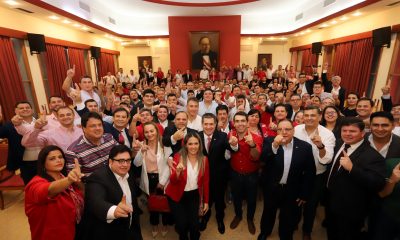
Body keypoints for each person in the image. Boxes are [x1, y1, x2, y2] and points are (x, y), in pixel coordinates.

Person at [326, 117, 386, 240]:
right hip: (331, 202)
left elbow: (378, 183)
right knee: (332, 233)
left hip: (351, 209)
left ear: (363, 133)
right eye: (344, 130)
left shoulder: (373, 156)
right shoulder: (338, 143)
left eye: (352, 131)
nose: (347, 134)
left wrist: (352, 169)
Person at [258, 119, 316, 240]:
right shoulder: (269, 141)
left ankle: (285, 235)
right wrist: (275, 145)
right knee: (268, 212)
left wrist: (305, 194)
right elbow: (262, 159)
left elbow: (310, 172)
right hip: (271, 187)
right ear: (276, 131)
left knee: (288, 215)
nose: (283, 132)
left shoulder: (305, 147)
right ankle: (265, 232)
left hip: (292, 189)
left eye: (287, 129)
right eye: (280, 129)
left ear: (293, 131)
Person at [80, 145, 142, 240]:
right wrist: (114, 210)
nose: (125, 164)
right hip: (109, 232)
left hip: (130, 228)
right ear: (110, 161)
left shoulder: (128, 173)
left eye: (128, 160)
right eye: (120, 161)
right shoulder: (97, 177)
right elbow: (96, 202)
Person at [25, 145, 84, 240]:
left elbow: (82, 195)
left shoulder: (64, 178)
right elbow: (47, 191)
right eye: (52, 159)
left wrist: (77, 181)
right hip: (50, 235)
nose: (58, 160)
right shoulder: (35, 183)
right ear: (43, 163)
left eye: (60, 157)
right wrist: (69, 179)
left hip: (73, 231)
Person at [294, 106, 336, 240]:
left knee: (311, 206)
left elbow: (327, 159)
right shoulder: (296, 129)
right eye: (306, 115)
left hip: (317, 176)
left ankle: (307, 231)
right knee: (294, 202)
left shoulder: (327, 134)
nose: (309, 118)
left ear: (319, 117)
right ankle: (293, 223)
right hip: (297, 175)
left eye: (313, 115)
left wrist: (320, 146)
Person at [165, 132, 210, 240]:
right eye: (190, 144)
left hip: (194, 195)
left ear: (200, 144)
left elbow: (206, 182)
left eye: (196, 143)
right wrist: (178, 172)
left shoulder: (204, 160)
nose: (193, 147)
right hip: (176, 195)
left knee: (194, 224)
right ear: (185, 145)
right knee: (181, 224)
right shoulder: (177, 157)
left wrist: (206, 201)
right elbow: (173, 181)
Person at [198, 113, 238, 234]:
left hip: (219, 176)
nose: (209, 126)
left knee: (219, 200)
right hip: (202, 176)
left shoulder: (222, 136)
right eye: (206, 124)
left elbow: (232, 149)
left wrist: (234, 144)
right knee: (206, 199)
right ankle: (205, 217)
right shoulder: (196, 136)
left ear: (215, 124)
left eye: (211, 124)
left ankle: (219, 219)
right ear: (202, 124)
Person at [133, 122, 172, 237]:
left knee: (165, 204)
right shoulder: (142, 145)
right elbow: (136, 163)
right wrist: (141, 151)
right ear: (144, 133)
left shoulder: (164, 144)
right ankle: (154, 225)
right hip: (149, 179)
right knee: (153, 205)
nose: (149, 134)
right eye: (146, 132)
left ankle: (164, 225)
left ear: (157, 131)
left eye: (152, 131)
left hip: (163, 178)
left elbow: (169, 165)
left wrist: (162, 182)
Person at [228, 112, 262, 235]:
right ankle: (238, 215)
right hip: (235, 173)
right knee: (236, 197)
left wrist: (252, 144)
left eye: (243, 121)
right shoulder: (230, 135)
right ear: (234, 123)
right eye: (237, 121)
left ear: (247, 122)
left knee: (252, 200)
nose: (240, 123)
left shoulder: (256, 137)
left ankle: (249, 219)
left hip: (251, 176)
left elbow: (256, 157)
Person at [65, 112, 117, 178]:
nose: (98, 128)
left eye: (100, 125)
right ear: (83, 128)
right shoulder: (73, 151)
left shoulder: (109, 138)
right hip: (93, 186)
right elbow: (75, 179)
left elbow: (120, 156)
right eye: (93, 126)